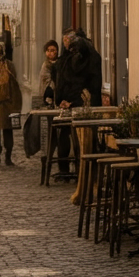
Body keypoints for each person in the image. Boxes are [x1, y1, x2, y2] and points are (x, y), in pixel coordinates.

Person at [53, 28, 104, 178]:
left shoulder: (73, 59)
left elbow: (68, 81)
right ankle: (84, 169)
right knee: (82, 137)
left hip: (78, 102)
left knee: (75, 136)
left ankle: (76, 169)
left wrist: (63, 99)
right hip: (81, 102)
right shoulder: (89, 56)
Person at [38, 39, 59, 108]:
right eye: (48, 50)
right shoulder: (45, 65)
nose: (50, 53)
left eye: (53, 50)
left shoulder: (60, 64)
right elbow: (44, 81)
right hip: (47, 96)